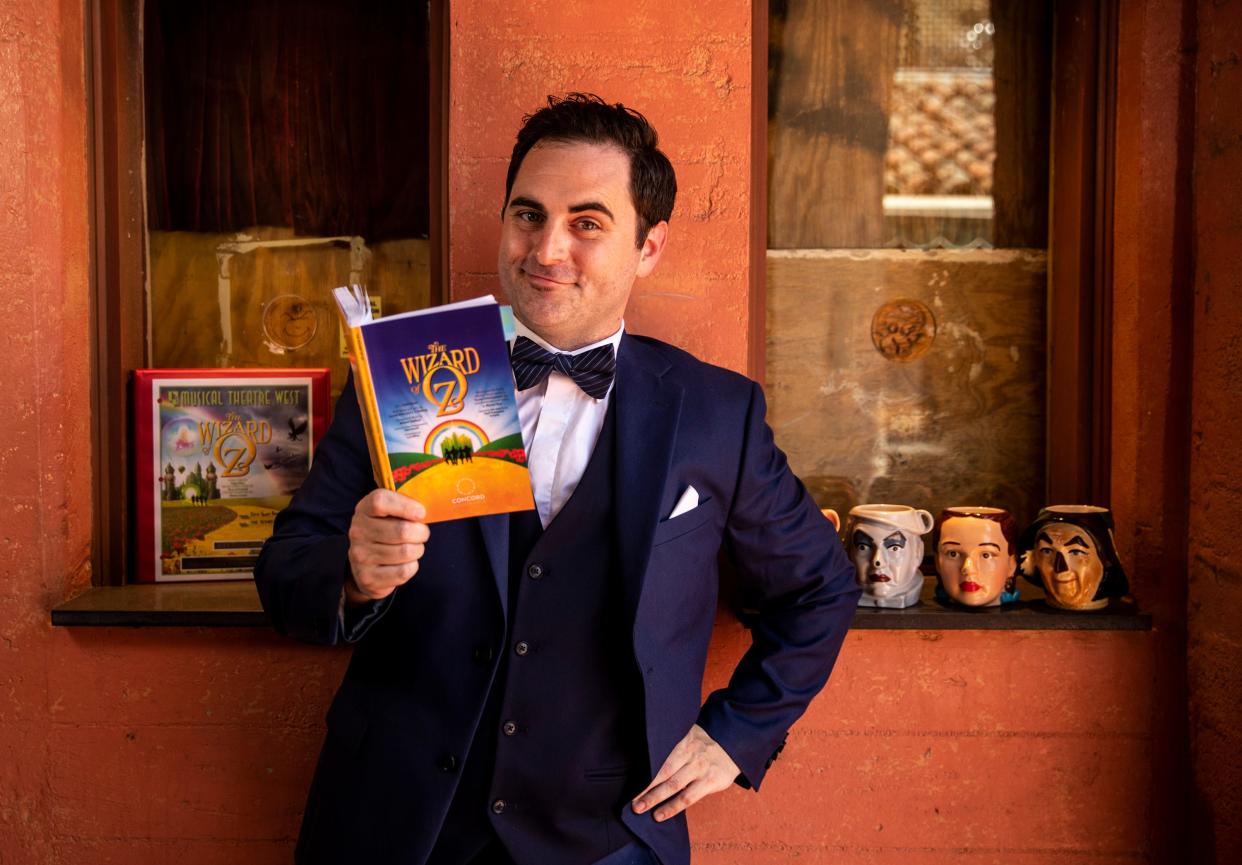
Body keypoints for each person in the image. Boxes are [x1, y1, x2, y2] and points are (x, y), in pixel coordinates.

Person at [256, 93, 859, 865]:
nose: (545, 250)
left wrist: (734, 736)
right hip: (400, 824)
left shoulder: (714, 412)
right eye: (528, 215)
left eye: (587, 223)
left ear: (649, 246)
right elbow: (285, 564)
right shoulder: (407, 371)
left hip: (612, 837)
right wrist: (350, 574)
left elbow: (820, 589)